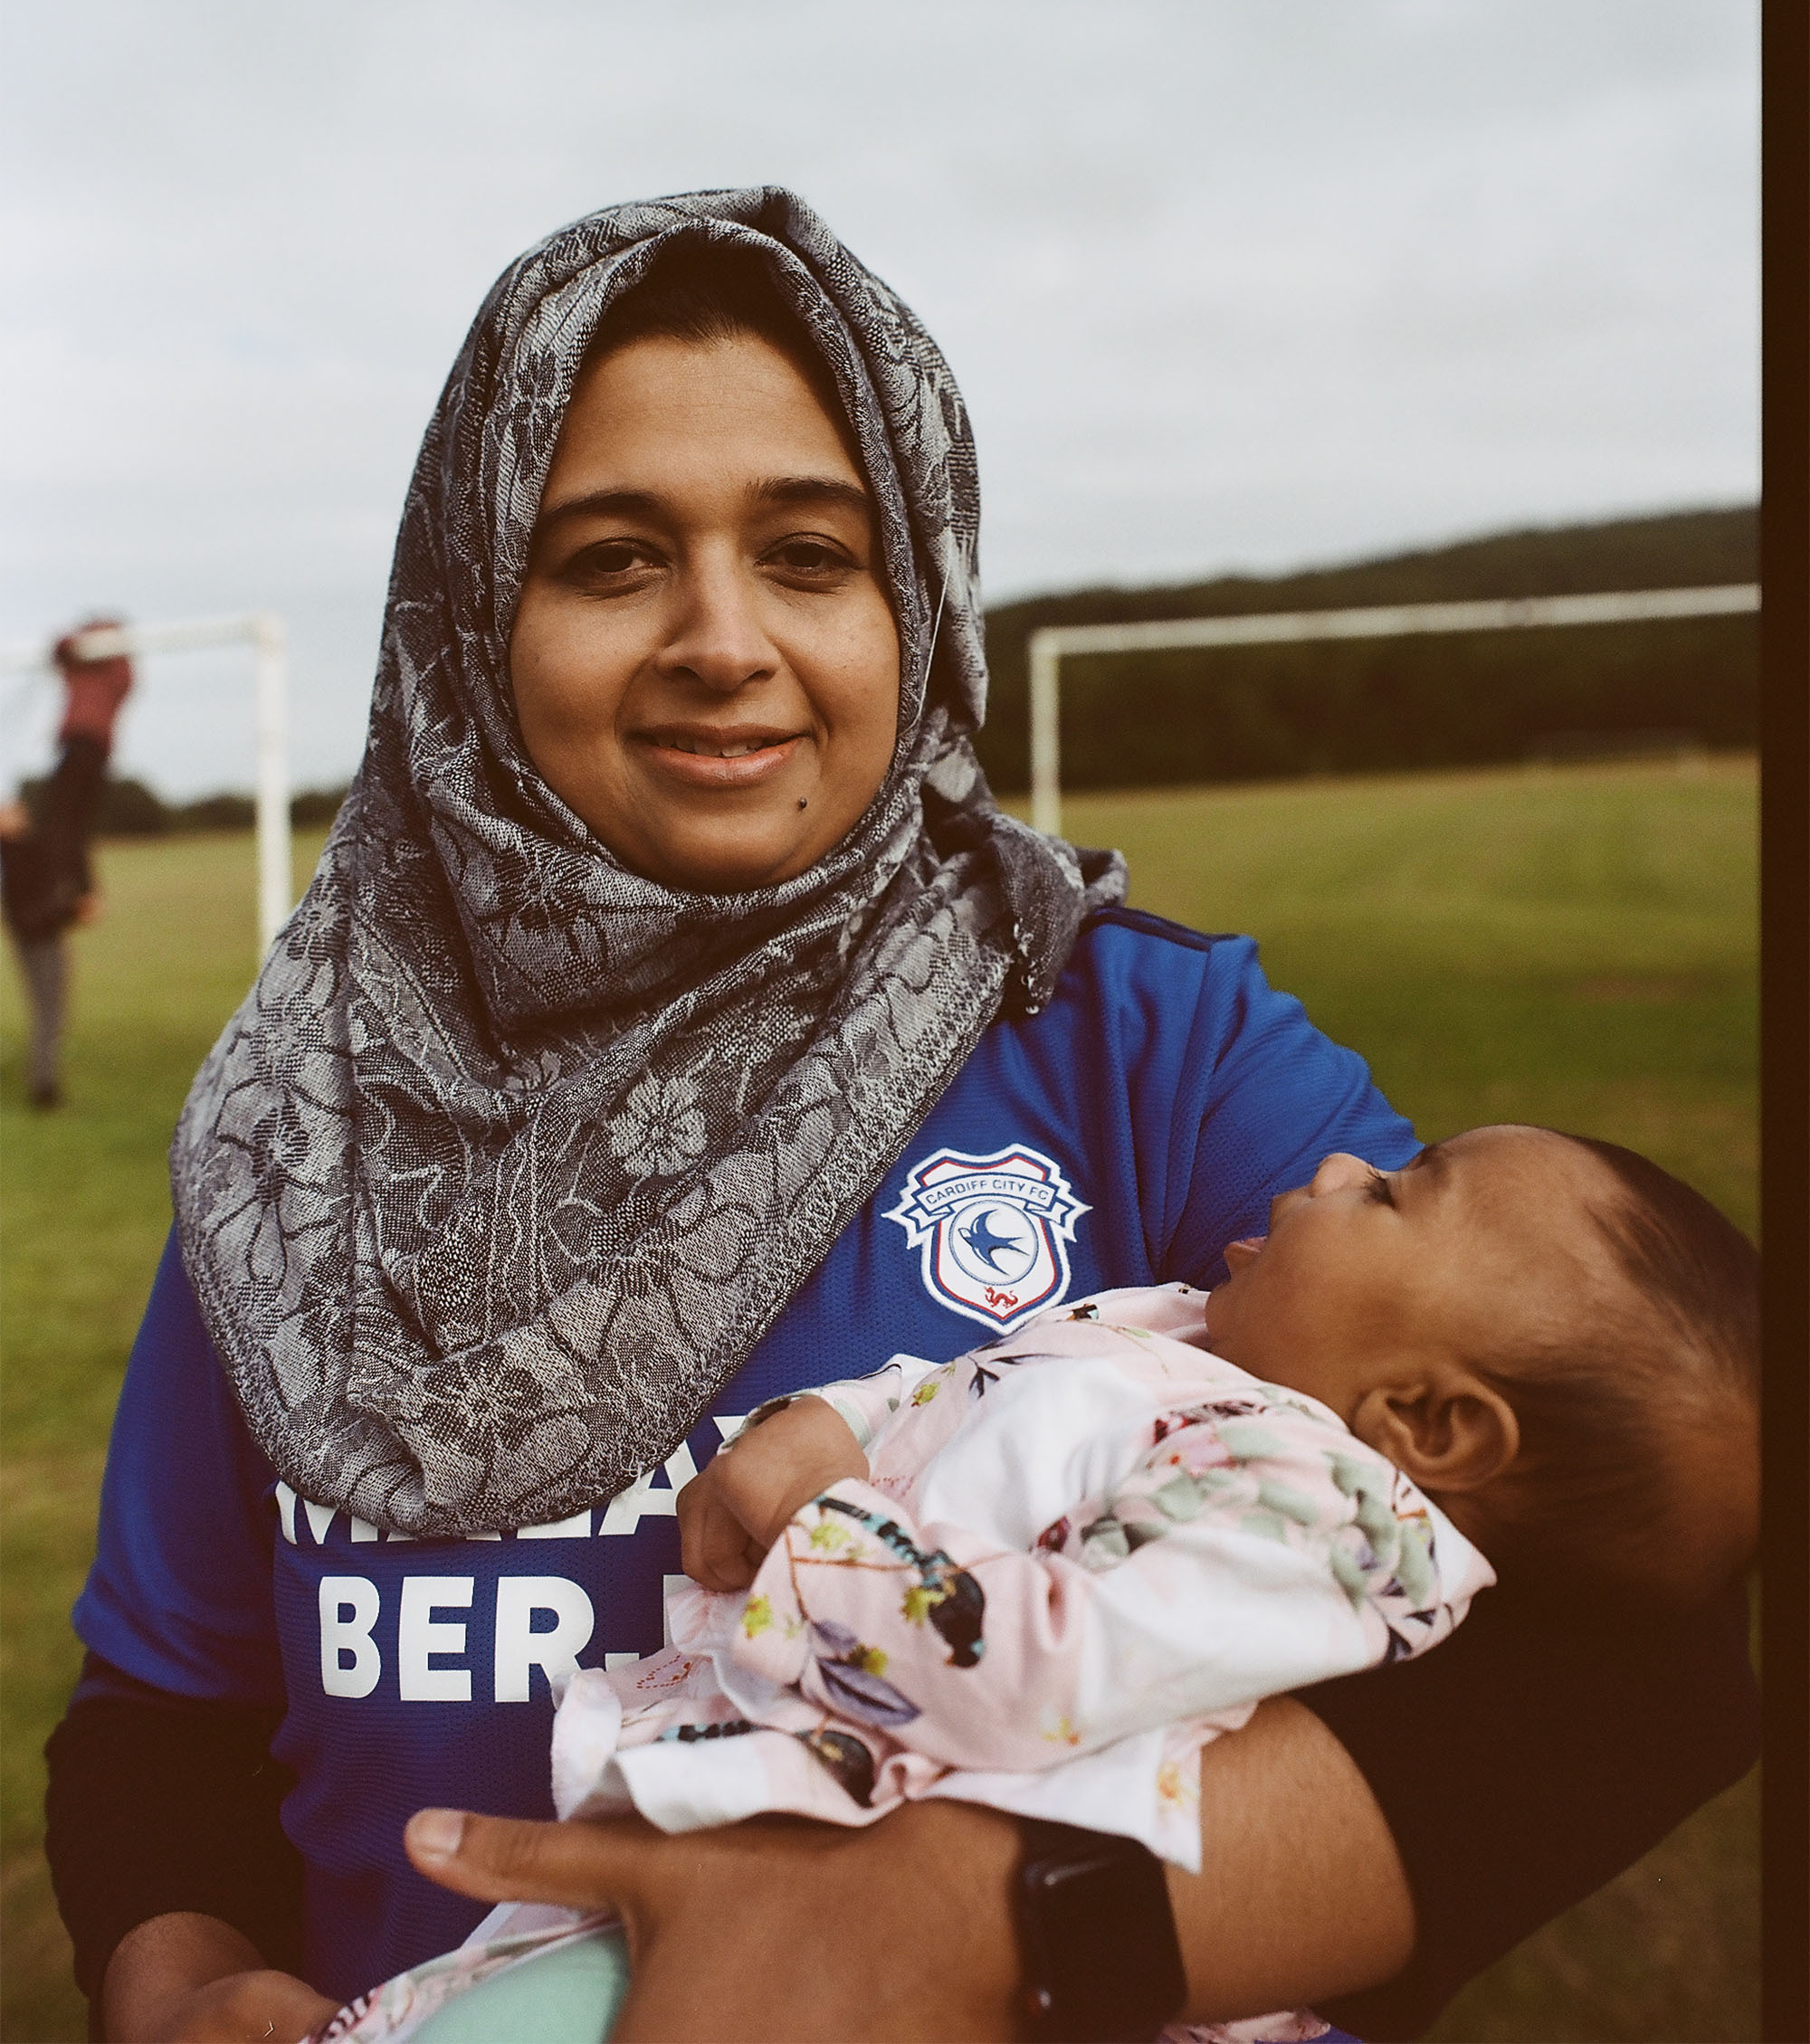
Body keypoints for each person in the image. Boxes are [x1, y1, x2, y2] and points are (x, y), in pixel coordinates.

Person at [43, 194, 1758, 2044]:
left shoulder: (1134, 1042)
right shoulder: (300, 1134)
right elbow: (168, 1715)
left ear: (915, 598)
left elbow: (1634, 1609)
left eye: (809, 553)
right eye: (612, 559)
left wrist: (977, 1920)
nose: (722, 639)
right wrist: (176, 1977)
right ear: (470, 613)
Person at [300, 1127, 1760, 2044]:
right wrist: (830, 1418)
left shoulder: (1312, 1523)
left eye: (1385, 1191)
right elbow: (980, 1383)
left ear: (1432, 1425)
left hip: (863, 1913)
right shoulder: (1202, 1339)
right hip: (751, 1833)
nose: (1332, 1165)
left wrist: (821, 1516)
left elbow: (1026, 1671)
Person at [1, 621, 133, 1108]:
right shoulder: (20, 852)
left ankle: (43, 1080)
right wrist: (80, 901)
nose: (17, 811)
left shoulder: (111, 668)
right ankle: (44, 1086)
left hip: (36, 926)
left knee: (67, 826)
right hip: (39, 930)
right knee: (50, 1006)